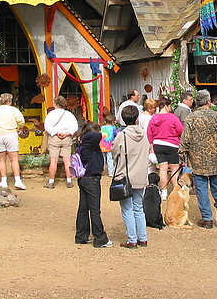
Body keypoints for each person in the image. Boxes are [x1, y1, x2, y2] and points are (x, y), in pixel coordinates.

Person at [178, 90, 217, 229]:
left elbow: (185, 139)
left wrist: (182, 154)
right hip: (215, 158)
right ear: (208, 102)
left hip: (198, 160)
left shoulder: (191, 118)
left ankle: (207, 219)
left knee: (201, 189)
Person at [112, 104, 151, 248]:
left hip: (126, 176)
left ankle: (132, 239)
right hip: (141, 175)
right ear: (137, 118)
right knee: (138, 207)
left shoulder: (122, 135)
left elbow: (114, 152)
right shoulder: (143, 134)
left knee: (127, 208)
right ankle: (143, 238)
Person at [74, 121, 113, 248]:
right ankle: (100, 237)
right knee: (95, 210)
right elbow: (98, 136)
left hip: (84, 179)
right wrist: (98, 131)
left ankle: (81, 236)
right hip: (92, 179)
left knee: (83, 209)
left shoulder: (83, 143)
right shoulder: (90, 142)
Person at [0, 93, 26, 190]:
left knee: (1, 159)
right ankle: (17, 180)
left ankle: (3, 181)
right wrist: (18, 127)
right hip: (11, 134)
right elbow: (21, 121)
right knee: (14, 159)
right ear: (10, 101)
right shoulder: (14, 110)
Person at [146, 96, 184, 200]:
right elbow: (181, 130)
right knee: (174, 168)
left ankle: (163, 191)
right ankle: (176, 190)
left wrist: (151, 144)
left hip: (158, 144)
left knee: (162, 169)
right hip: (172, 145)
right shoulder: (172, 117)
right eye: (170, 106)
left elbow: (149, 133)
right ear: (166, 106)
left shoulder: (153, 118)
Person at [44, 95, 79, 189]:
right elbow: (75, 127)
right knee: (67, 160)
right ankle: (69, 180)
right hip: (67, 138)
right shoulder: (69, 115)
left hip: (55, 137)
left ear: (56, 104)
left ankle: (51, 182)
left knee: (53, 161)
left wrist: (56, 132)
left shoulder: (51, 114)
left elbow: (47, 127)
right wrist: (67, 133)